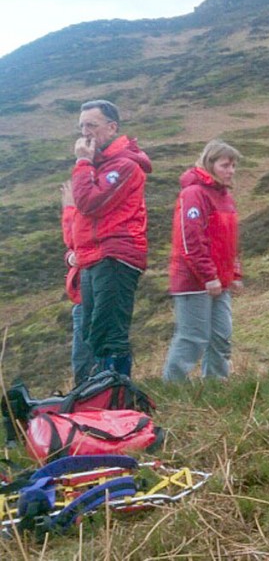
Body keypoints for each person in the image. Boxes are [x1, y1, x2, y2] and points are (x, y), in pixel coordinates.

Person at [71, 99, 150, 378]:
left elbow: (89, 203)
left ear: (112, 127)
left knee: (109, 333)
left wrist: (82, 162)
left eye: (91, 125)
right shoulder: (100, 165)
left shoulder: (124, 165)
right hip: (94, 257)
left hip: (116, 254)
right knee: (93, 332)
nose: (85, 132)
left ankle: (117, 399)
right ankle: (102, 396)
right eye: (81, 126)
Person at [164, 140, 244, 382]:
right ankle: (172, 387)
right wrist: (208, 276)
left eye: (233, 166)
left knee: (221, 335)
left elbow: (228, 241)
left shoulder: (225, 197)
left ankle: (216, 384)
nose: (231, 171)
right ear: (210, 164)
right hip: (194, 280)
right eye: (225, 165)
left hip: (220, 280)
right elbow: (191, 240)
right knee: (193, 337)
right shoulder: (193, 194)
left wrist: (234, 274)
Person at [60, 181, 96, 385]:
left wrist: (69, 209)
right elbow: (73, 247)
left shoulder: (92, 207)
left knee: (87, 349)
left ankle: (89, 390)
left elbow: (78, 239)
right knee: (84, 349)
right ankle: (87, 391)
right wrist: (70, 257)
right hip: (83, 293)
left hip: (90, 291)